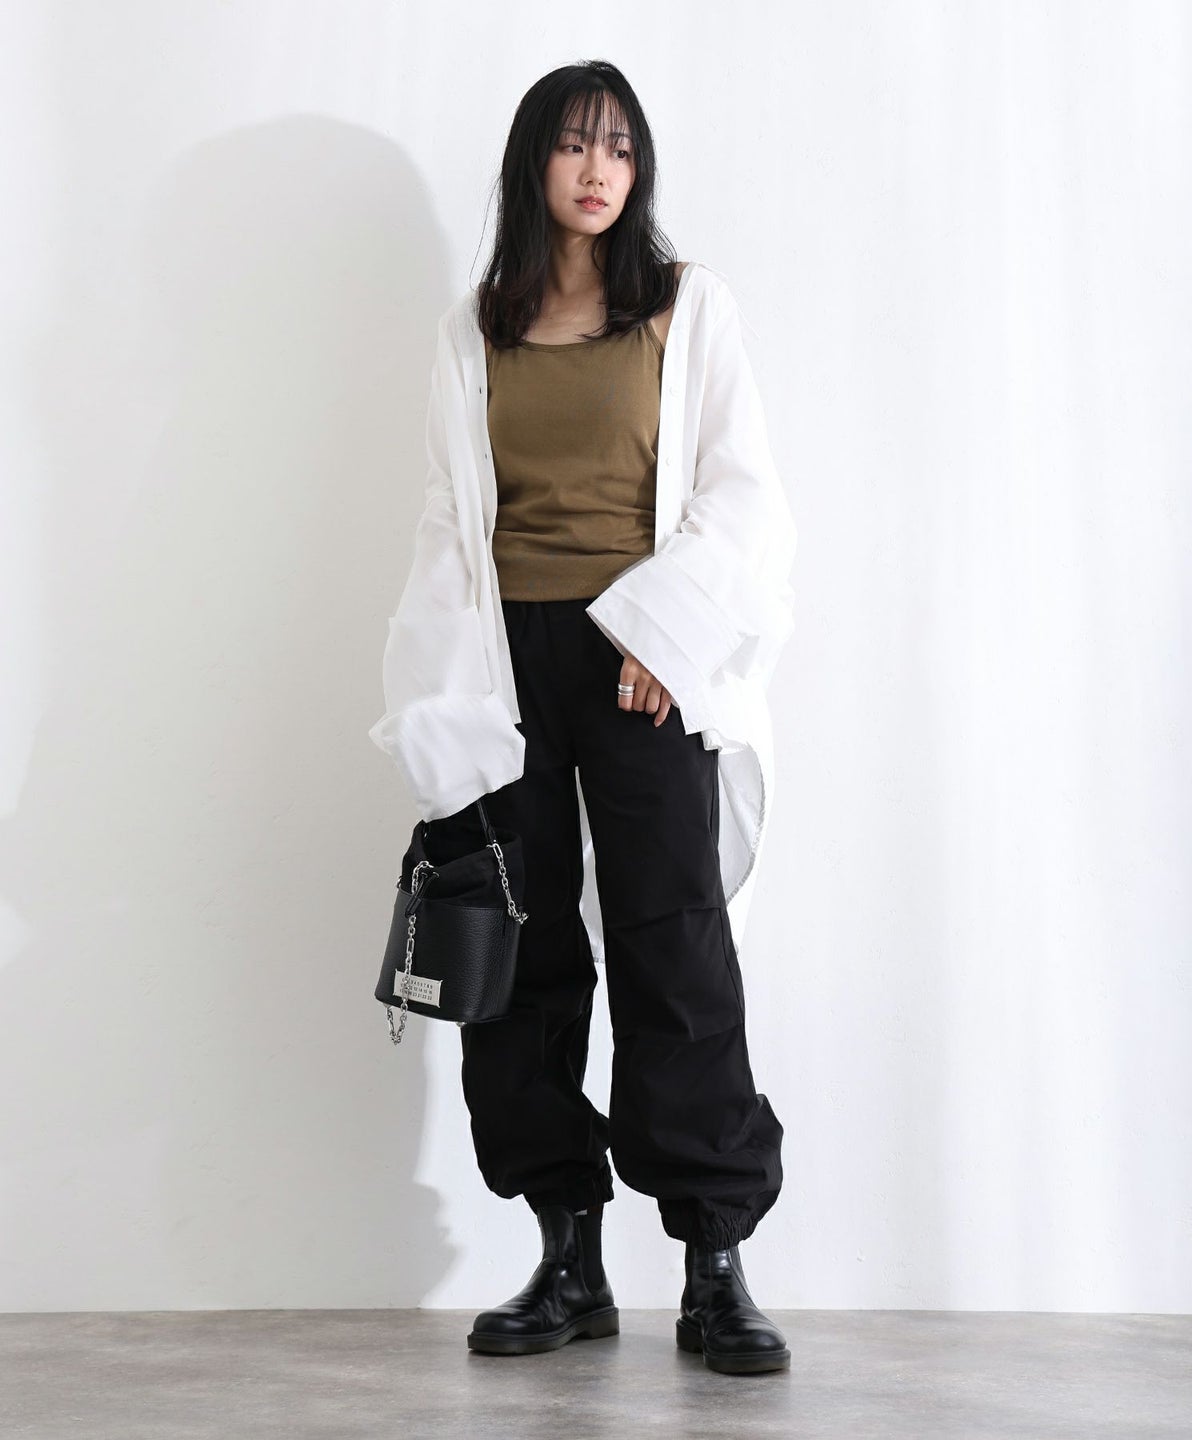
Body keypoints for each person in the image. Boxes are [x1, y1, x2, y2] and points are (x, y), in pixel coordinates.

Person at [368, 60, 797, 1376]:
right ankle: (568, 1259)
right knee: (523, 957)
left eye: (618, 146)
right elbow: (449, 522)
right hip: (507, 670)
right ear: (533, 165)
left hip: (638, 666)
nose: (597, 169)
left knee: (675, 946)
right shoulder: (477, 328)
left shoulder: (685, 309)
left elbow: (742, 491)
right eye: (572, 145)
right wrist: (441, 702)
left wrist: (665, 631)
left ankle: (714, 1263)